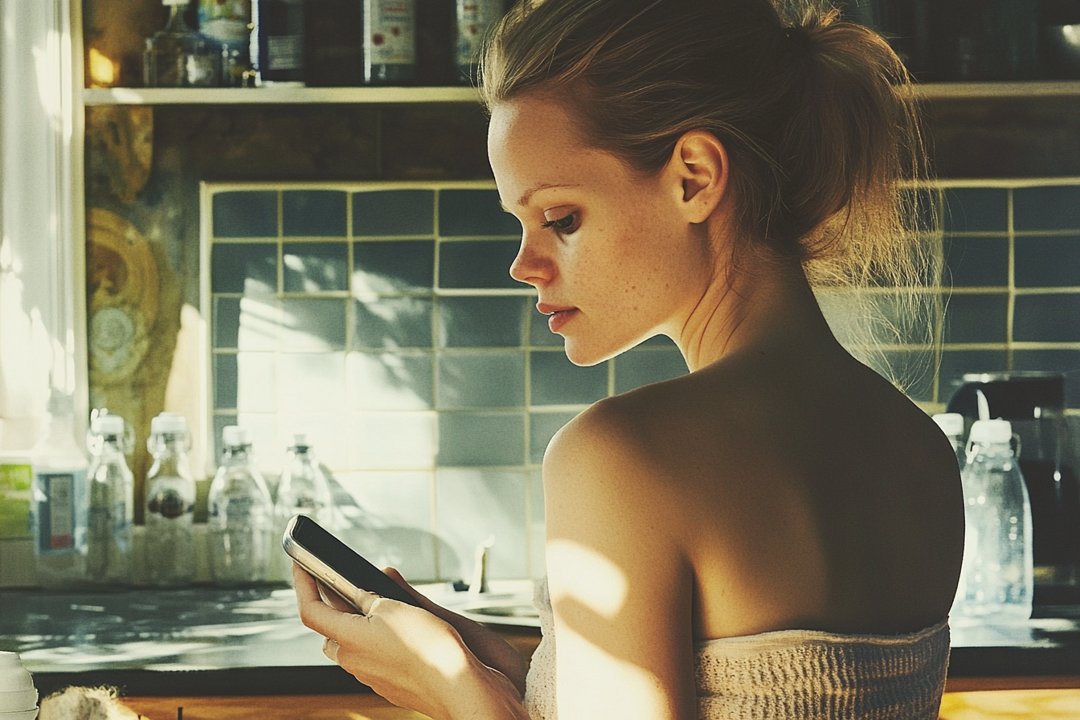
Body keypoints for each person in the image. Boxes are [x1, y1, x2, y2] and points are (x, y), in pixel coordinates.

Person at [293, 0, 966, 717]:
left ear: (696, 177)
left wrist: (454, 694)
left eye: (560, 219)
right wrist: (517, 670)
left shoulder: (618, 458)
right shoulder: (918, 446)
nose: (525, 264)